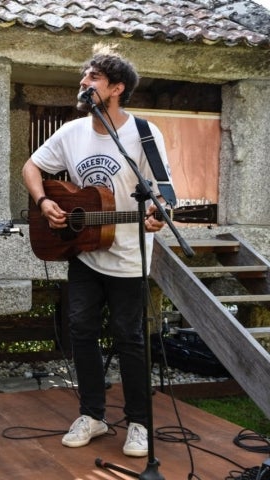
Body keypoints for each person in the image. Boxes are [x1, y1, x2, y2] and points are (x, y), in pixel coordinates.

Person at [22, 46, 172, 458]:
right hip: (85, 253)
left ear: (117, 89)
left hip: (128, 257)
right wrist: (42, 202)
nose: (84, 84)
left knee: (130, 338)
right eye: (84, 77)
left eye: (94, 79)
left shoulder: (143, 133)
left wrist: (161, 213)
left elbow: (165, 193)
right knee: (82, 332)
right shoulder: (71, 132)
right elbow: (31, 167)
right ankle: (93, 415)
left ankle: (139, 422)